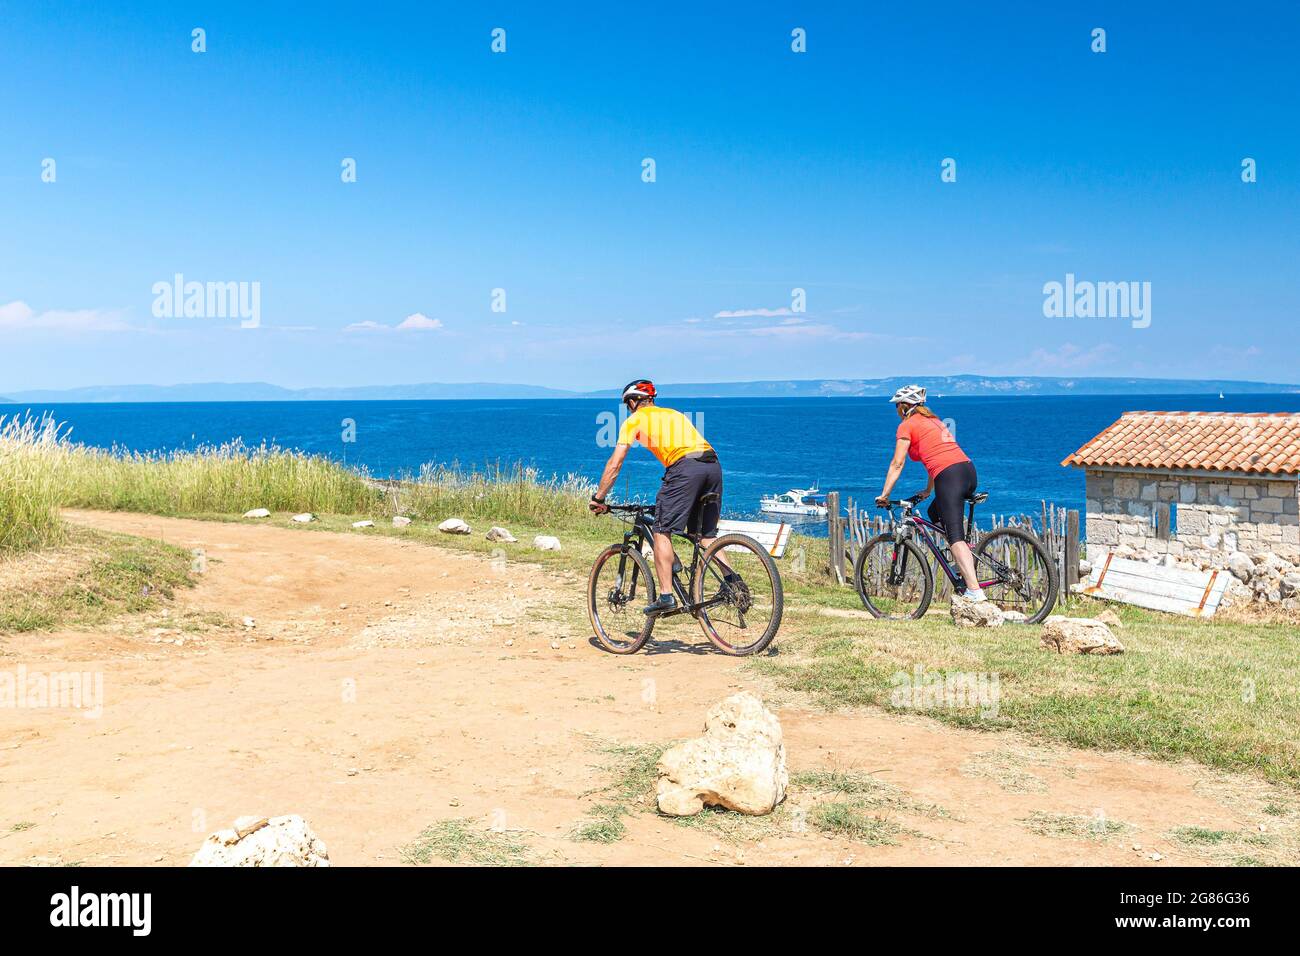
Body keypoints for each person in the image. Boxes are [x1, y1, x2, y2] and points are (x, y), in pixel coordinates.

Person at [589, 379, 736, 614]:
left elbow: (614, 465)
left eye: (628, 404)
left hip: (685, 468)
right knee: (704, 535)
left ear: (633, 402)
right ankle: (734, 584)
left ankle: (666, 596)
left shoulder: (634, 420)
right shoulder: (675, 414)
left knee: (661, 530)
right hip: (713, 465)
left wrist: (599, 498)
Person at [875, 384, 986, 601]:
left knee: (955, 537)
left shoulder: (907, 425)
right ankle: (961, 563)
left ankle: (975, 591)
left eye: (897, 406)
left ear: (905, 406)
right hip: (967, 471)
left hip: (950, 476)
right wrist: (928, 489)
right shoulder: (935, 422)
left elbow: (897, 464)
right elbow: (936, 458)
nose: (896, 411)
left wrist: (885, 495)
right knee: (935, 512)